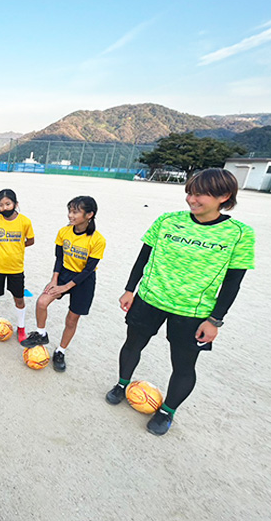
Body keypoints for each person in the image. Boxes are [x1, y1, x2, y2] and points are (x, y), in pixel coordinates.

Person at [105, 168, 255, 436]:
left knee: (184, 365)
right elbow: (143, 258)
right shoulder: (167, 221)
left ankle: (167, 411)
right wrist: (130, 290)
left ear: (224, 196)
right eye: (190, 193)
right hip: (150, 298)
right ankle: (122, 384)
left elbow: (233, 282)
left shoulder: (239, 234)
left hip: (193, 312)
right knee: (132, 344)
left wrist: (214, 320)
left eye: (200, 195)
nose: (191, 200)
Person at [23, 196, 105, 373]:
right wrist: (54, 280)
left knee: (71, 319)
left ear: (89, 214)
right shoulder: (63, 232)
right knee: (42, 302)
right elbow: (59, 258)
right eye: (70, 211)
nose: (70, 215)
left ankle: (60, 351)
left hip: (84, 280)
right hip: (64, 274)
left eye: (75, 212)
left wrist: (65, 287)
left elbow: (88, 270)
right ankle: (41, 333)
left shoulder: (98, 240)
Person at [0, 189, 34, 343]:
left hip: (16, 268)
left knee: (19, 298)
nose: (4, 208)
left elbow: (30, 240)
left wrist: (16, 248)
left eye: (8, 204)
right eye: (1, 205)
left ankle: (21, 328)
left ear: (15, 204)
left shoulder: (25, 221)